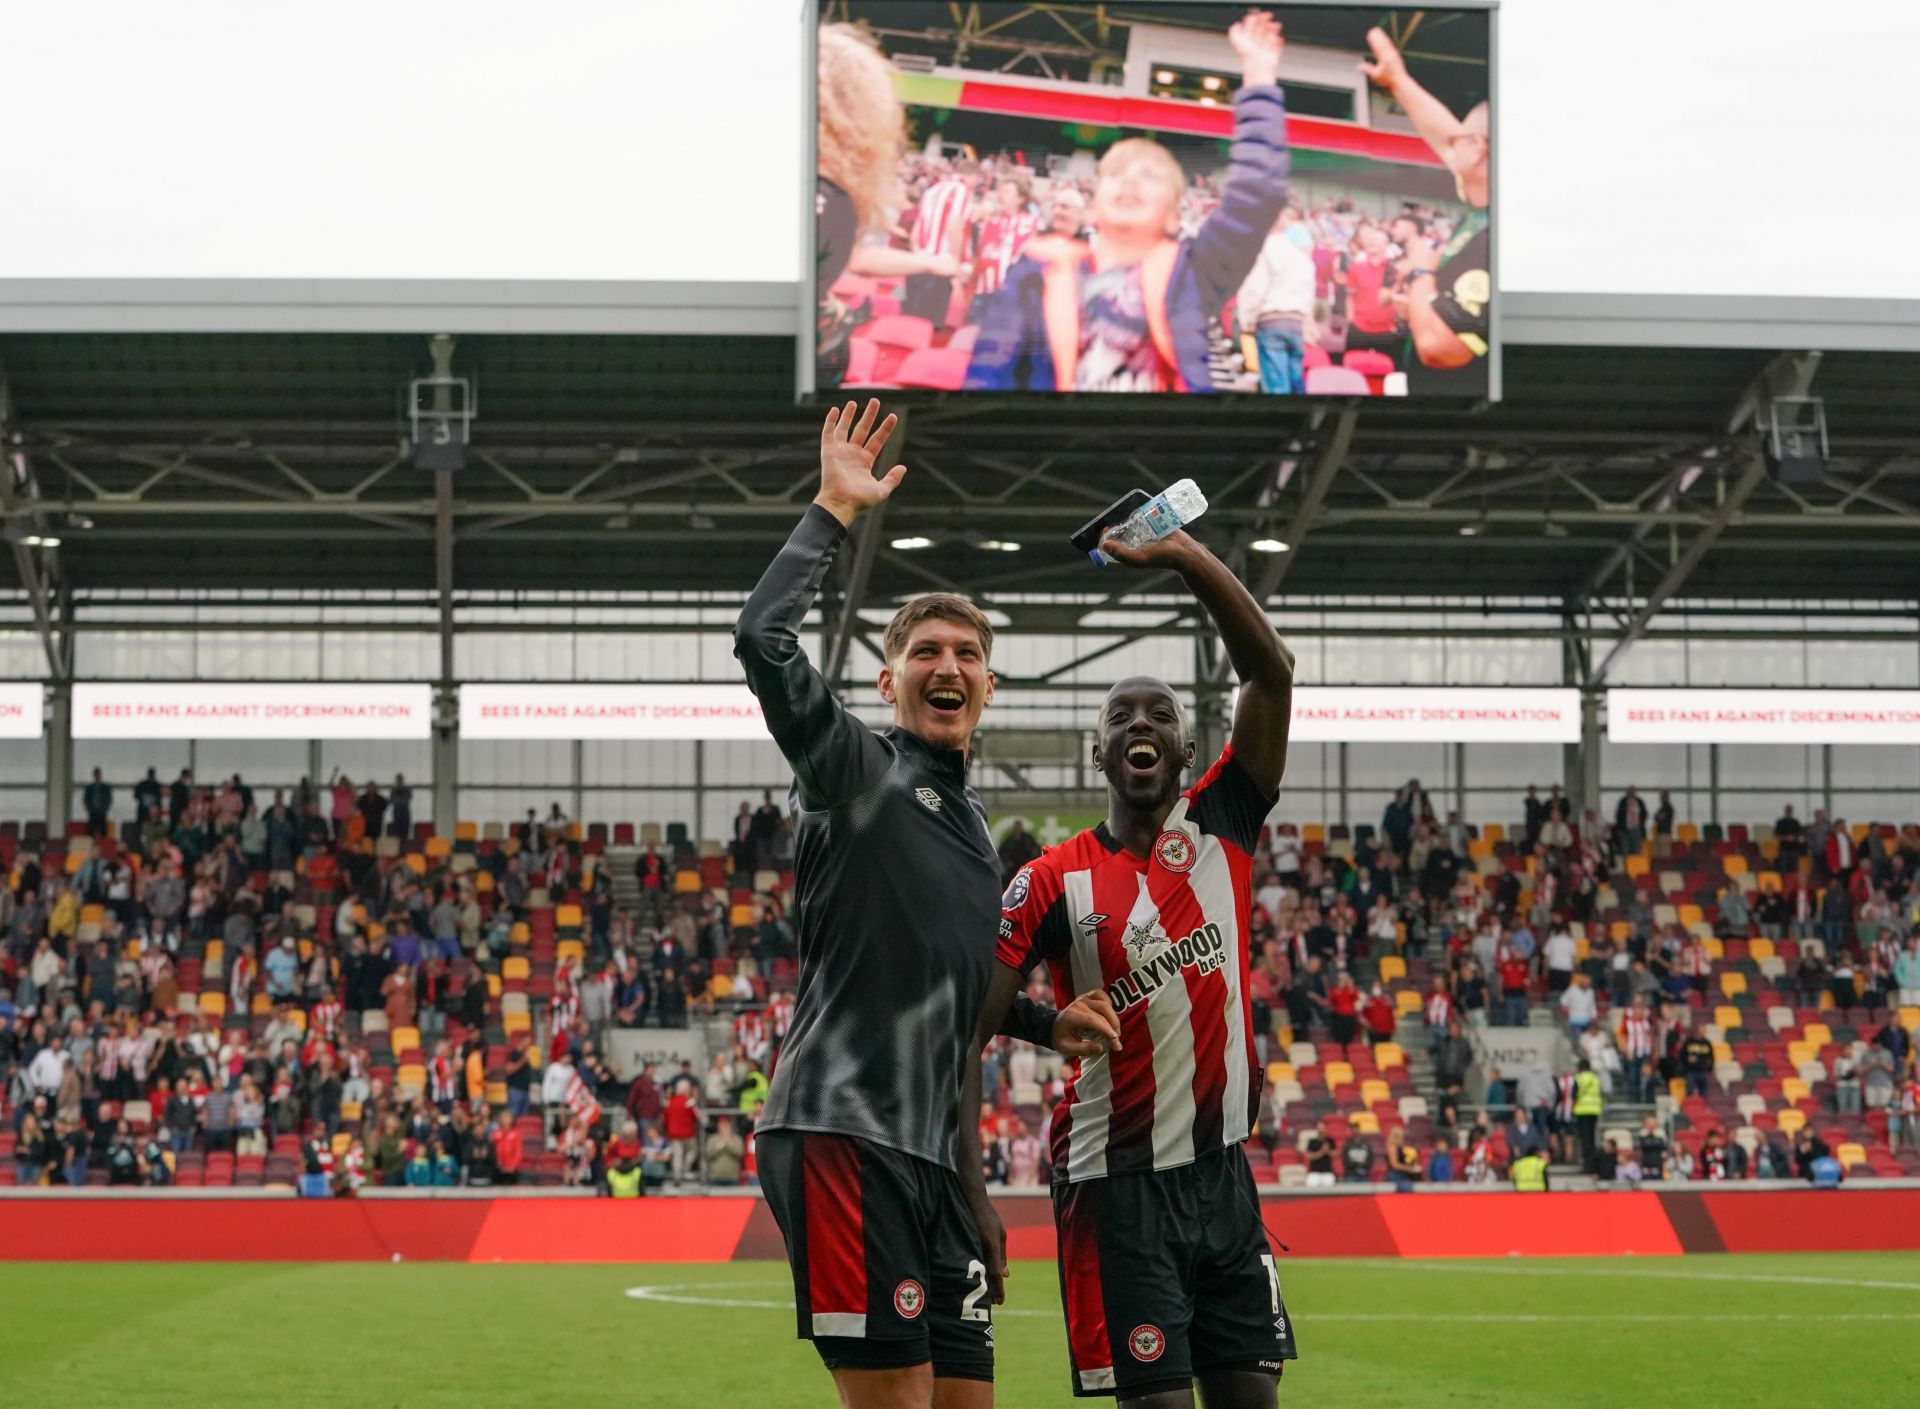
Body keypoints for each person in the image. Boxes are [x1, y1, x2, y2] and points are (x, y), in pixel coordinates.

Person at [737, 400, 1116, 1409]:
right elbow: (761, 638)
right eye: (925, 650)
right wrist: (830, 507)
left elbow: (958, 984)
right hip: (845, 1131)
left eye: (966, 653)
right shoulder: (854, 767)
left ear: (988, 683)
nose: (947, 664)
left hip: (931, 1159)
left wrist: (1043, 1018)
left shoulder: (973, 826)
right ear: (887, 676)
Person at [962, 511, 1299, 1404]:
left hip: (1226, 1179)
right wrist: (975, 1183)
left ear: (1189, 750)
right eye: (1121, 715)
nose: (1140, 723)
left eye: (1161, 714)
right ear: (1099, 749)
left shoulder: (1224, 819)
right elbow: (974, 1022)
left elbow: (1272, 670)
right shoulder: (1046, 880)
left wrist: (1185, 554)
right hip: (1120, 1191)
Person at [965, 12, 1289, 393]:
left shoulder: (1194, 274)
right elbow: (987, 378)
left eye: (1149, 176)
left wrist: (1259, 73)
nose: (1131, 179)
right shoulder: (1036, 274)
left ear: (1173, 218)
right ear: (1093, 206)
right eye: (1117, 172)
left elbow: (1258, 191)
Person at [1357, 28, 1490, 380]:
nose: (1448, 144)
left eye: (1460, 138)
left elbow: (1438, 347)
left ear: (1478, 149)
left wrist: (1421, 272)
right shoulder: (1485, 207)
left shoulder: (1492, 240)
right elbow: (1445, 135)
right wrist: (1397, 81)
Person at [1236, 207, 1316, 394]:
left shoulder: (1263, 252)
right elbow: (1308, 293)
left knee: (1277, 390)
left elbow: (1254, 291)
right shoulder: (1300, 256)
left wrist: (1247, 320)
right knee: (1296, 386)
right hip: (1296, 325)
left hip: (1271, 324)